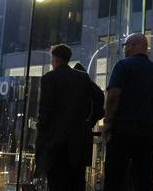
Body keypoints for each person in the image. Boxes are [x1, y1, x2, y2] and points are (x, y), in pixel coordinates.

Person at [102, 33, 153, 190]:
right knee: (144, 177)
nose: (125, 49)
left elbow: (113, 95)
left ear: (131, 45)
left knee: (115, 176)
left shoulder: (122, 65)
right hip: (147, 132)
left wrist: (108, 121)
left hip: (122, 130)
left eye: (125, 46)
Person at [35, 44, 105, 190]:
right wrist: (92, 119)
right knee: (76, 182)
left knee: (56, 183)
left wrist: (41, 126)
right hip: (77, 142)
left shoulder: (49, 78)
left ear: (55, 59)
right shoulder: (82, 77)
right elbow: (99, 95)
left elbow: (45, 107)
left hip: (54, 142)